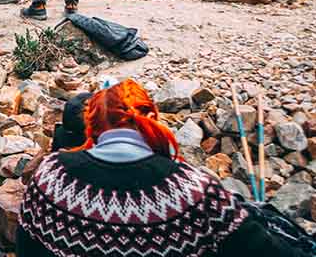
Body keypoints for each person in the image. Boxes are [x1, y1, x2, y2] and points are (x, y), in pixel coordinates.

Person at [16, 79, 300, 256]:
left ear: (91, 126)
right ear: (151, 119)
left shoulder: (50, 176)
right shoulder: (195, 191)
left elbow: (26, 248)